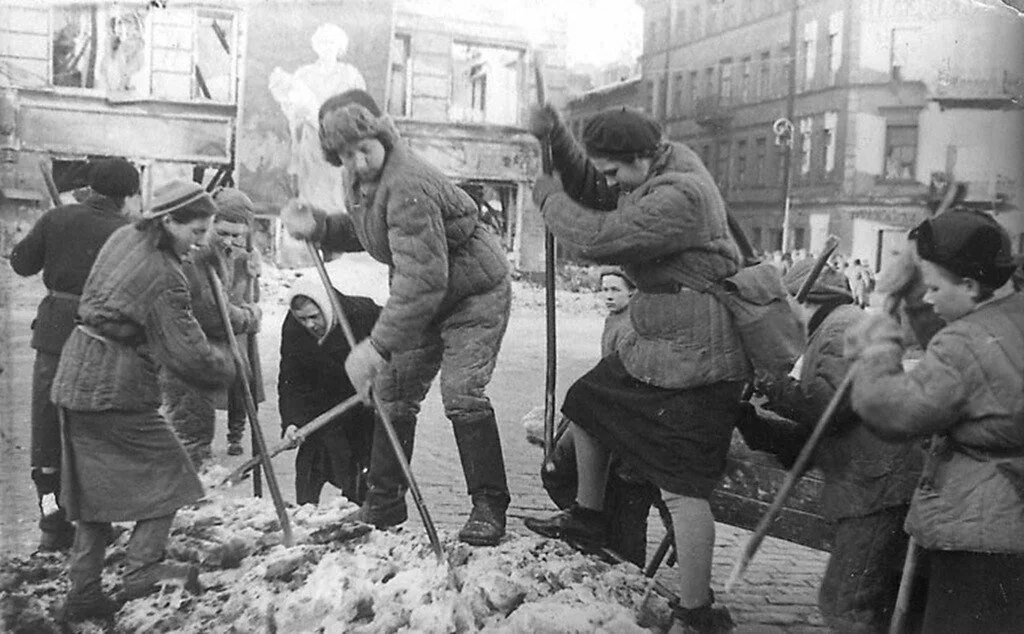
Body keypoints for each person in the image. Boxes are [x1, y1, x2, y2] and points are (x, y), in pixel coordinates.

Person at [523, 105, 749, 632]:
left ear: (643, 155)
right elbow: (603, 191)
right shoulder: (656, 167)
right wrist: (558, 140)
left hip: (703, 359)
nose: (609, 182)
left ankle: (697, 610)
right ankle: (588, 516)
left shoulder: (682, 195)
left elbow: (600, 237)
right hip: (662, 345)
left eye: (614, 169)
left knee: (680, 486)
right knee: (585, 401)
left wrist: (551, 200)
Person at [280, 88, 512, 546]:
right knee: (392, 391)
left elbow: (423, 280)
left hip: (472, 292)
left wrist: (377, 345)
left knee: (462, 391)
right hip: (426, 296)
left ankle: (489, 505)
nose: (358, 162)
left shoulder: (408, 181)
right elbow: (376, 234)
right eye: (345, 155)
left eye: (363, 149)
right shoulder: (358, 180)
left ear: (381, 133)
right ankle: (384, 501)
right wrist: (324, 227)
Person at [50, 180, 236, 622]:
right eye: (196, 231)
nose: (202, 240)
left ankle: (84, 593)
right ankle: (143, 569)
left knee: (93, 496)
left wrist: (196, 252)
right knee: (175, 477)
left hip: (76, 374)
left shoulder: (125, 236)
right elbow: (187, 353)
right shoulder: (165, 277)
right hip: (115, 387)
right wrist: (228, 364)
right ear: (167, 220)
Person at [846, 209, 1024, 633]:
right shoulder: (1008, 314)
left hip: (980, 531)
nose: (927, 297)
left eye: (935, 287)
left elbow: (889, 410)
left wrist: (876, 345)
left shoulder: (962, 346)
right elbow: (968, 354)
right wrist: (915, 290)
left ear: (969, 284)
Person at [740, 259, 922, 632]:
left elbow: (831, 406)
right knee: (861, 601)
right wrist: (756, 426)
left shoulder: (843, 328)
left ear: (801, 299)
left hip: (875, 488)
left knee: (846, 602)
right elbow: (820, 430)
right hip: (868, 484)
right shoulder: (830, 328)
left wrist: (772, 384)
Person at [9, 158, 140, 551]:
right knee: (96, 426)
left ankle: (51, 519)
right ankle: (94, 521)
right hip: (106, 338)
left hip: (54, 333)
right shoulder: (130, 233)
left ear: (91, 185)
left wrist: (51, 236)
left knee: (47, 427)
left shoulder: (57, 219)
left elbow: (21, 263)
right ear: (128, 195)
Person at [540, 267, 662, 567]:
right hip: (609, 407)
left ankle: (600, 528)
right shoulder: (615, 320)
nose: (608, 296)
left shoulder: (634, 323)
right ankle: (594, 522)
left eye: (615, 290)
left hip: (625, 414)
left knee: (619, 484)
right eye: (604, 290)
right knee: (557, 465)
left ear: (632, 291)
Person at [159, 188, 261, 469]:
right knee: (190, 433)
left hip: (202, 351)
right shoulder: (197, 255)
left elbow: (239, 298)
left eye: (236, 235)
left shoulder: (228, 253)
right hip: (187, 352)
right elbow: (213, 313)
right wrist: (250, 316)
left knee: (195, 430)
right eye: (223, 232)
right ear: (211, 222)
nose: (229, 240)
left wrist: (252, 277)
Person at [279, 276, 380, 505]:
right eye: (302, 318)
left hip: (361, 403)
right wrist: (292, 422)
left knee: (359, 472)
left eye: (314, 317)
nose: (309, 325)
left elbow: (399, 342)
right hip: (320, 403)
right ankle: (304, 516)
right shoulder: (294, 327)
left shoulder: (361, 314)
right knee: (310, 465)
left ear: (327, 308)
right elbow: (290, 378)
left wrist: (384, 378)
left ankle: (362, 518)